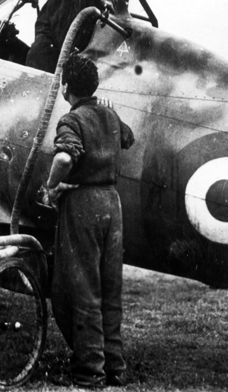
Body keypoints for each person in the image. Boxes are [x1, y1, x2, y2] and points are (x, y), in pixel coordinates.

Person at [44, 53, 134, 388]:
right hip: (112, 203)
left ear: (66, 87)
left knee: (83, 290)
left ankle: (90, 372)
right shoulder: (109, 113)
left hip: (83, 202)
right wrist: (110, 113)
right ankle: (116, 369)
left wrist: (51, 186)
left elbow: (66, 155)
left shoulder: (72, 119)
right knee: (109, 290)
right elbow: (128, 138)